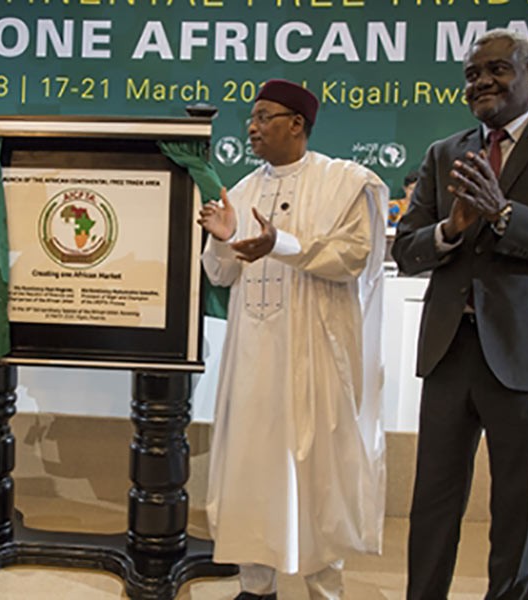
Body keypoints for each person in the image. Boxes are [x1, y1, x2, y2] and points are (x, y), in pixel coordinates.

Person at [391, 29, 528, 599]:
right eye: (472, 74)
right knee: (433, 504)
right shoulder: (445, 152)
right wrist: (449, 229)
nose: (482, 82)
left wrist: (504, 214)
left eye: (497, 69)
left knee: (520, 510)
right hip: (449, 351)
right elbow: (407, 250)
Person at [198, 79, 388, 600]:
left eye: (264, 117)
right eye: (251, 118)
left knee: (317, 473)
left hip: (315, 358)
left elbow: (352, 257)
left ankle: (324, 590)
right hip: (253, 360)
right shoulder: (241, 190)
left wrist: (279, 244)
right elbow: (221, 274)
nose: (252, 128)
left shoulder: (344, 182)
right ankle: (255, 586)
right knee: (252, 470)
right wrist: (222, 240)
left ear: (297, 123)